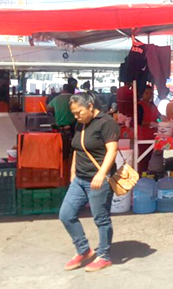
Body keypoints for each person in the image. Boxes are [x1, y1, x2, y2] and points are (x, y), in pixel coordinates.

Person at [59, 93, 119, 272]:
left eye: (79, 112)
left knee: (101, 218)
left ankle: (104, 256)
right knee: (66, 214)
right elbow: (78, 148)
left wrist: (101, 174)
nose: (76, 116)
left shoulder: (106, 123)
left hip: (99, 180)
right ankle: (84, 250)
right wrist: (72, 172)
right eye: (74, 113)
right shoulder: (81, 124)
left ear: (91, 106)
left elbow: (112, 150)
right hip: (79, 179)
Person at [136, 86, 160, 172]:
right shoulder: (139, 106)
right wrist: (150, 123)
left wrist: (161, 120)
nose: (149, 95)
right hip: (143, 136)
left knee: (151, 157)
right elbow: (138, 121)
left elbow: (158, 116)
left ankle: (148, 174)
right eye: (147, 93)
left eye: (151, 93)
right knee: (143, 158)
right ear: (142, 94)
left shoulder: (152, 105)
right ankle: (140, 175)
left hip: (153, 135)